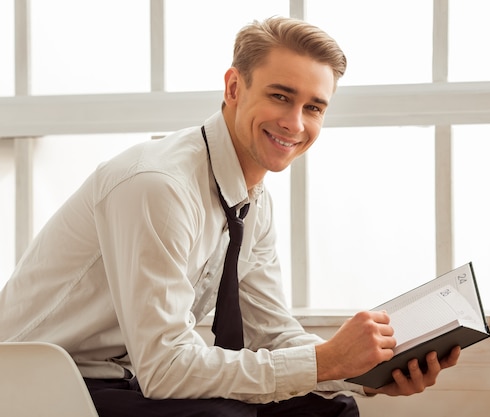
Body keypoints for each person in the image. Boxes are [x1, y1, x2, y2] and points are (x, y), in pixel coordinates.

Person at [0, 16, 460, 417]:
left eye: (313, 107)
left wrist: (364, 371)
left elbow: (274, 334)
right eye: (281, 96)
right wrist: (327, 361)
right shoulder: (159, 186)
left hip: (128, 376)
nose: (295, 123)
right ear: (234, 87)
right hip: (44, 381)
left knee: (329, 409)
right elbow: (165, 370)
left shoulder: (252, 202)